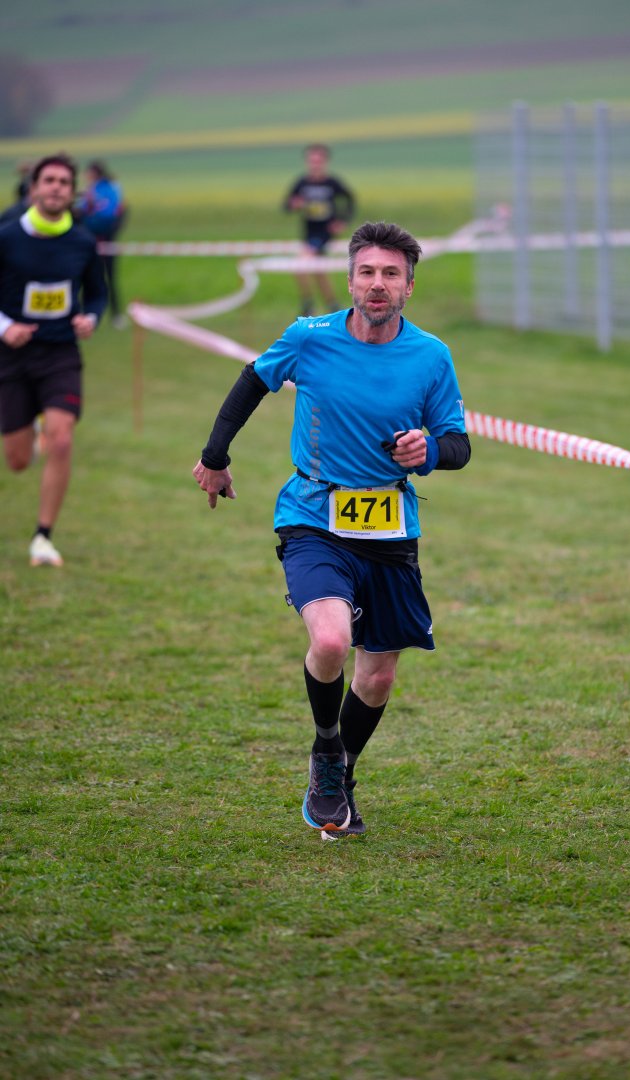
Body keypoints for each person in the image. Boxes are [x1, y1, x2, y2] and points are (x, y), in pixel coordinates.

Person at [193, 221, 471, 836]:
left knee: (378, 676)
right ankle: (326, 752)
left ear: (409, 287)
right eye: (367, 272)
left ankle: (342, 772)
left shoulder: (431, 355)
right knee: (329, 642)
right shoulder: (308, 337)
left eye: (391, 274)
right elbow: (252, 381)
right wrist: (215, 457)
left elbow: (459, 444)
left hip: (391, 526)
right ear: (349, 281)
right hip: (313, 514)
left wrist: (428, 450)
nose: (378, 284)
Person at [0, 153, 108, 567]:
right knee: (17, 461)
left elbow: (97, 294)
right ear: (34, 189)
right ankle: (32, 429)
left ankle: (43, 537)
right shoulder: (8, 237)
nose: (56, 187)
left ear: (71, 192)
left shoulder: (82, 242)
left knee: (61, 439)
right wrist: (5, 327)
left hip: (60, 352)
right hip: (13, 356)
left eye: (64, 182)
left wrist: (90, 318)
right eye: (49, 180)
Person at [283, 143, 355, 316]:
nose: (315, 165)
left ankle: (308, 305)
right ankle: (333, 306)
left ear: (325, 162)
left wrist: (342, 221)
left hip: (325, 234)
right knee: (319, 271)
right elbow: (287, 205)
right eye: (312, 161)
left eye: (318, 161)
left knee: (300, 265)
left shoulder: (332, 183)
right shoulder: (302, 183)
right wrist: (294, 204)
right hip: (308, 232)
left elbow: (350, 200)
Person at [76, 160, 127, 328]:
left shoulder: (104, 189)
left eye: (88, 172)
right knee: (93, 279)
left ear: (94, 173)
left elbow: (112, 212)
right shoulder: (103, 188)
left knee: (107, 278)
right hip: (95, 241)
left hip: (103, 239)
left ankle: (115, 314)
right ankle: (88, 315)